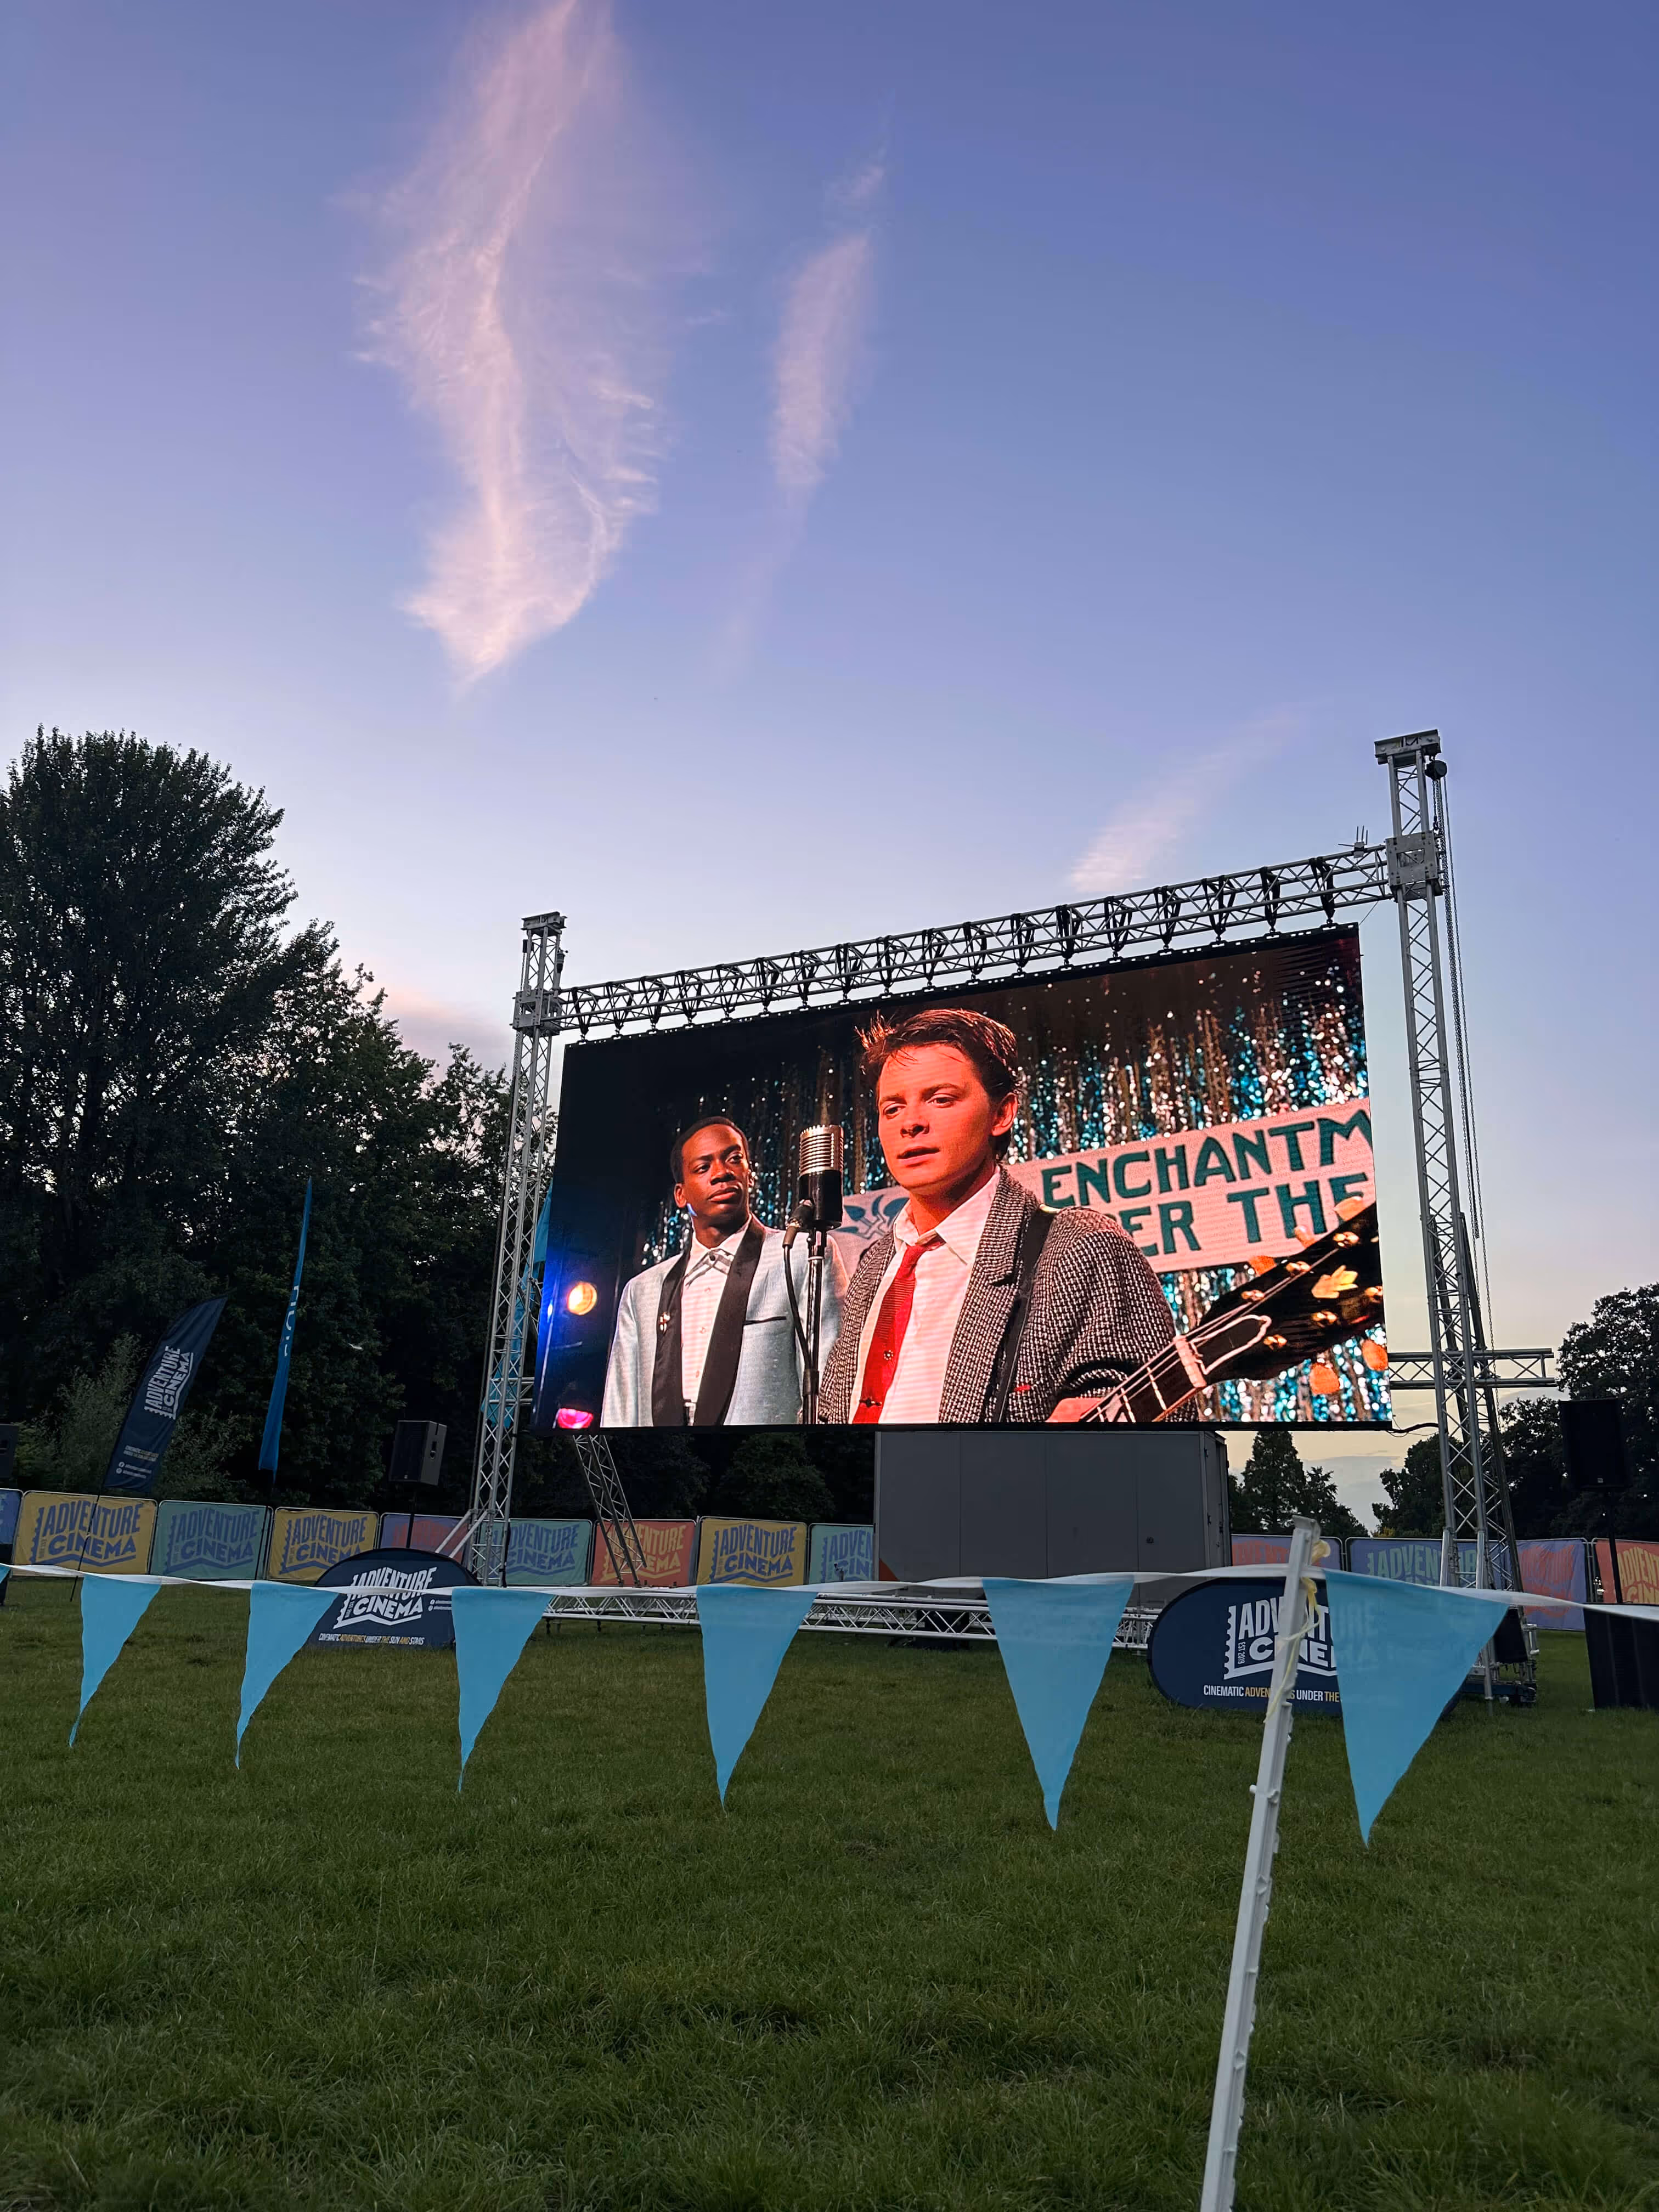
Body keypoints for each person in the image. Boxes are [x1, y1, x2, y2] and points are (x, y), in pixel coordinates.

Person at [817, 1008, 1177, 1425]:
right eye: (892, 1108)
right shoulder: (874, 1265)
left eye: (940, 1099)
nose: (911, 1123)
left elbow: (1155, 1410)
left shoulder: (1080, 1245)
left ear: (1002, 1114)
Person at [602, 1116, 847, 1426]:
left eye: (733, 1159)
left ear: (750, 1175)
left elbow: (834, 1390)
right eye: (703, 1168)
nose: (722, 1173)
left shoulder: (802, 1255)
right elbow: (620, 1411)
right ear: (681, 1195)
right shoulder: (644, 1291)